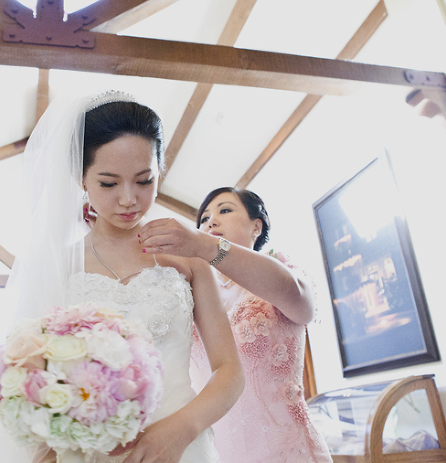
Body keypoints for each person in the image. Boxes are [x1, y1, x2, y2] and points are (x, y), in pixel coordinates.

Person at [0, 93, 244, 463]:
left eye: (144, 180)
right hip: (86, 451)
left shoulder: (189, 258)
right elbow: (34, 376)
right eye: (109, 183)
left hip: (181, 446)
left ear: (160, 170)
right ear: (82, 181)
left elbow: (230, 371)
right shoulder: (59, 266)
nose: (129, 199)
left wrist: (181, 428)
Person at [138, 187, 332, 463]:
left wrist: (205, 245)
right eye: (204, 218)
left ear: (256, 226)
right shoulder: (191, 293)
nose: (211, 221)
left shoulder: (282, 271)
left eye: (225, 210)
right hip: (214, 451)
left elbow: (302, 305)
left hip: (287, 452)